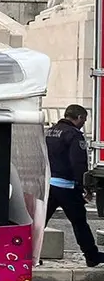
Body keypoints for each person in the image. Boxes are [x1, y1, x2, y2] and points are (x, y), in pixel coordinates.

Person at [46, 104, 101, 267]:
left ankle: (26, 254)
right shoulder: (74, 135)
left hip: (50, 183)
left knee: (40, 222)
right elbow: (78, 163)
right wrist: (85, 187)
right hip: (67, 186)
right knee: (79, 222)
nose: (84, 123)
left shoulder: (50, 131)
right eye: (84, 119)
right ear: (78, 117)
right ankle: (91, 256)